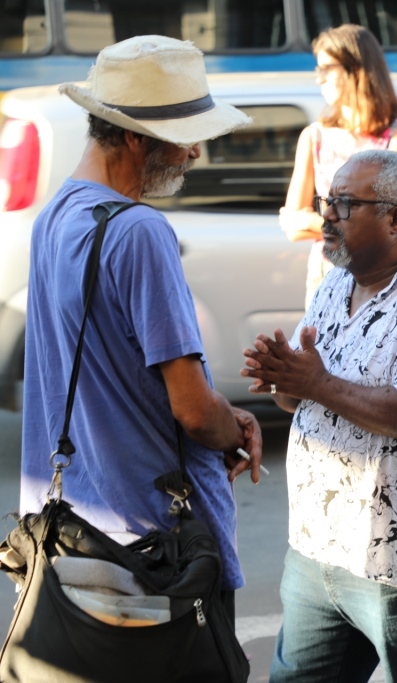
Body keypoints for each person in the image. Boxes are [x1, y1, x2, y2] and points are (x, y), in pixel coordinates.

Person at [20, 35, 262, 611]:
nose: (194, 152)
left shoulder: (55, 217)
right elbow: (194, 411)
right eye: (184, 138)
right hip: (156, 543)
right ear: (134, 136)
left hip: (75, 531)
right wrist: (236, 430)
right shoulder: (140, 231)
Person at [241, 150, 397, 683]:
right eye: (327, 200)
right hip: (316, 547)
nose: (326, 215)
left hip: (395, 564)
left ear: (396, 218)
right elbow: (304, 397)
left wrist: (313, 382)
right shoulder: (336, 282)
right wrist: (283, 378)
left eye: (344, 204)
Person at [279, 24, 397, 308]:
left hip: (381, 276)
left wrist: (319, 223)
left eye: (325, 69)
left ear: (356, 70)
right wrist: (361, 224)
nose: (319, 79)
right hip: (326, 273)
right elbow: (292, 225)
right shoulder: (314, 136)